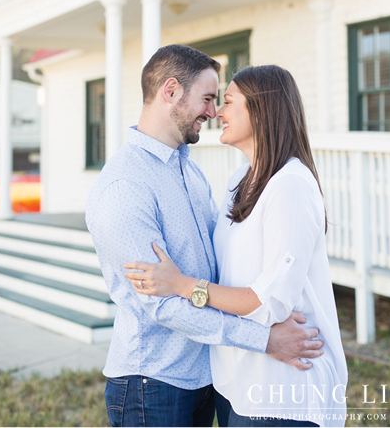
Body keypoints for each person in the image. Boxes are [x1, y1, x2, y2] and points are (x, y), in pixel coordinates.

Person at [85, 45, 324, 428]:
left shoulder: (190, 173)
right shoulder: (124, 187)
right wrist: (263, 339)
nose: (214, 113)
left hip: (208, 377)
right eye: (209, 99)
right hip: (153, 381)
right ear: (171, 91)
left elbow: (214, 270)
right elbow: (161, 305)